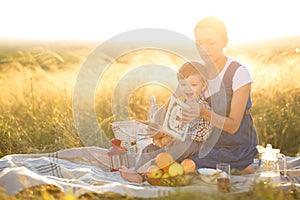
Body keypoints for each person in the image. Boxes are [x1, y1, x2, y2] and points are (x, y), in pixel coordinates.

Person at [183, 17, 258, 175]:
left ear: (225, 41)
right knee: (170, 157)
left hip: (235, 146)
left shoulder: (238, 73)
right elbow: (173, 102)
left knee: (187, 166)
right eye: (199, 43)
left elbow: (233, 126)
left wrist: (202, 112)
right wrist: (159, 126)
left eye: (211, 43)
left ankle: (242, 166)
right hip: (208, 143)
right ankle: (231, 169)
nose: (204, 49)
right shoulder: (198, 73)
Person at [120, 61, 212, 183]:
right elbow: (169, 122)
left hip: (194, 144)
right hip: (174, 140)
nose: (188, 89)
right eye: (183, 85)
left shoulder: (203, 107)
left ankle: (142, 175)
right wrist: (164, 133)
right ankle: (137, 170)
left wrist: (174, 137)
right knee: (149, 149)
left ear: (203, 86)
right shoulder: (180, 103)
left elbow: (201, 136)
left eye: (194, 85)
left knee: (181, 148)